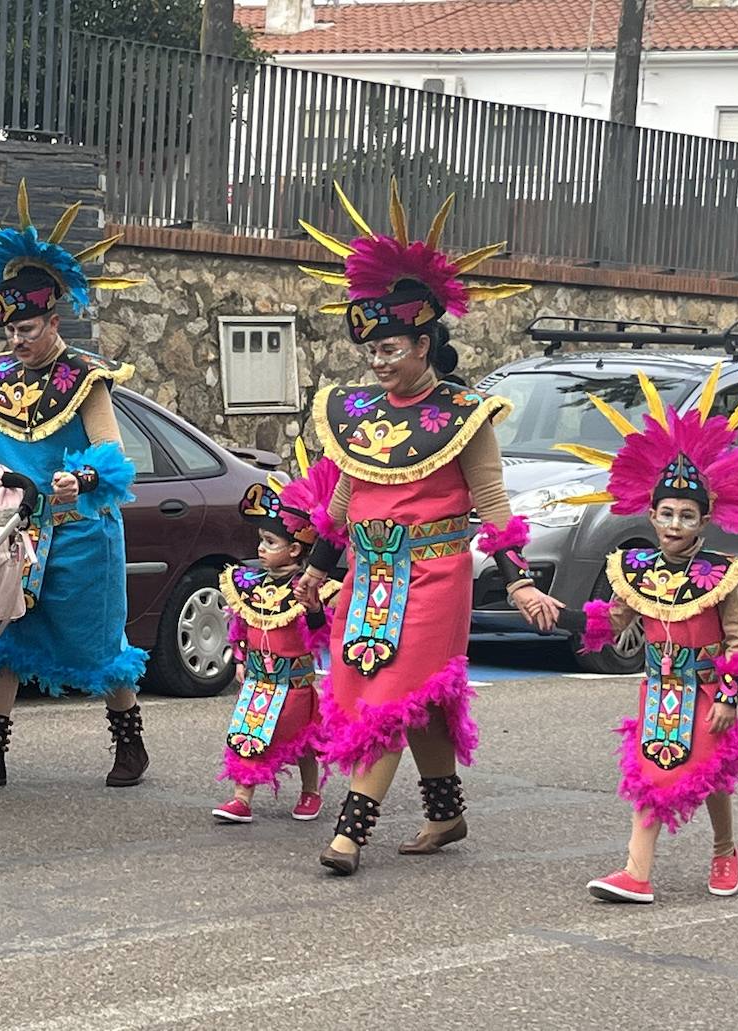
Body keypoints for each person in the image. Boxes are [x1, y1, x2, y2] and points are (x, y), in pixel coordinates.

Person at [293, 180, 565, 876]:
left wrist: (521, 583)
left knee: (390, 693)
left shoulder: (466, 412)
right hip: (368, 575)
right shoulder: (356, 412)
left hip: (437, 575)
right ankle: (445, 811)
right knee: (409, 697)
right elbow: (347, 499)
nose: (379, 362)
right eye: (372, 351)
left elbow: (492, 501)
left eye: (392, 349)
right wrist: (319, 568)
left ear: (424, 340)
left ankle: (351, 831)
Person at [0, 180, 151, 788]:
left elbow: (112, 453)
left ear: (54, 316)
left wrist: (81, 477)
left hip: (79, 532)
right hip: (15, 534)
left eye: (30, 328)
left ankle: (130, 745)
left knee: (99, 643)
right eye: (11, 330)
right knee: (2, 635)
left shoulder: (85, 378)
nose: (18, 341)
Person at [560, 366, 738, 903]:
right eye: (666, 513)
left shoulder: (722, 572)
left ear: (704, 522)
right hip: (657, 688)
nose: (675, 523)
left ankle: (725, 849)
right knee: (652, 772)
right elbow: (617, 620)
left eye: (687, 515)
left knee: (710, 775)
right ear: (652, 515)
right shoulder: (632, 567)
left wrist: (729, 697)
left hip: (707, 690)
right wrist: (578, 617)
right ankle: (637, 873)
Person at [213, 457, 341, 824]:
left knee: (302, 740)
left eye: (270, 541)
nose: (262, 548)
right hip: (258, 680)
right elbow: (241, 625)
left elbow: (319, 639)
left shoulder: (312, 588)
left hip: (295, 683)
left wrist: (314, 609)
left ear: (297, 549)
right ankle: (242, 797)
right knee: (246, 733)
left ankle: (310, 791)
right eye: (261, 541)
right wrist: (239, 658)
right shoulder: (248, 584)